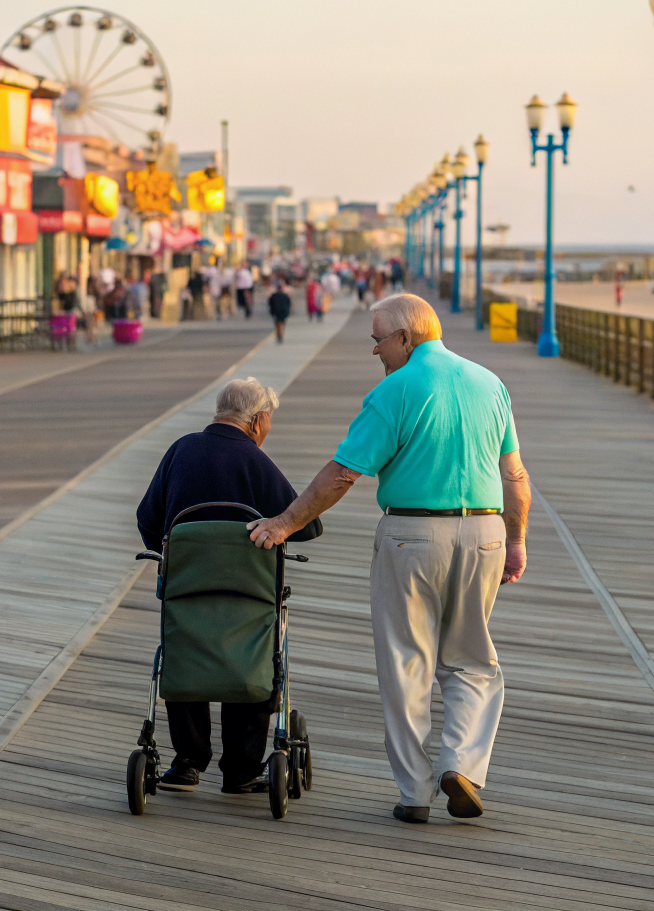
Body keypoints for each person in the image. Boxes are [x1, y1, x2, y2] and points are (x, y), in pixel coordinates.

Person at [245, 294, 531, 824]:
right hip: (487, 532)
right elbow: (514, 476)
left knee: (406, 661)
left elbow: (343, 474)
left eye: (378, 340)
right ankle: (462, 765)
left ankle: (416, 793)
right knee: (472, 659)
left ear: (406, 338)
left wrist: (284, 523)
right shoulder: (490, 383)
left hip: (414, 533)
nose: (375, 351)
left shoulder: (393, 390)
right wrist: (515, 540)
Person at [137, 378, 322, 794]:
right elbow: (306, 525)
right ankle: (240, 769)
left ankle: (187, 763)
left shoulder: (181, 450)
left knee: (182, 656)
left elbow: (147, 518)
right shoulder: (254, 461)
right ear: (257, 421)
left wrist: (177, 560)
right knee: (257, 659)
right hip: (249, 595)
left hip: (186, 591)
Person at [268, 278, 292, 343]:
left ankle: (279, 335)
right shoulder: (285, 296)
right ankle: (280, 335)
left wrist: (272, 311)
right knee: (282, 323)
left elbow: (270, 304)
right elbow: (289, 304)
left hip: (276, 311)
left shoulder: (273, 296)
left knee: (277, 323)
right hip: (283, 311)